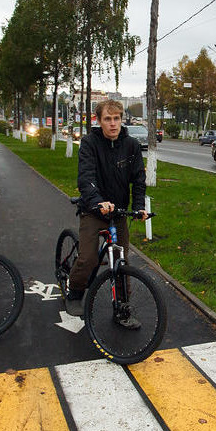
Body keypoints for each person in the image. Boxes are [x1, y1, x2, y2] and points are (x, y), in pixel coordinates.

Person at [66, 100, 148, 327]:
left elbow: (138, 181)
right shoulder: (89, 143)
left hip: (118, 212)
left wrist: (140, 206)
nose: (113, 124)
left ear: (122, 119)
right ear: (99, 121)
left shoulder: (131, 145)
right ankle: (74, 291)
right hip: (94, 210)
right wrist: (98, 201)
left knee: (122, 260)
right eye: (107, 119)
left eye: (117, 119)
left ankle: (123, 308)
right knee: (89, 258)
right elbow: (85, 178)